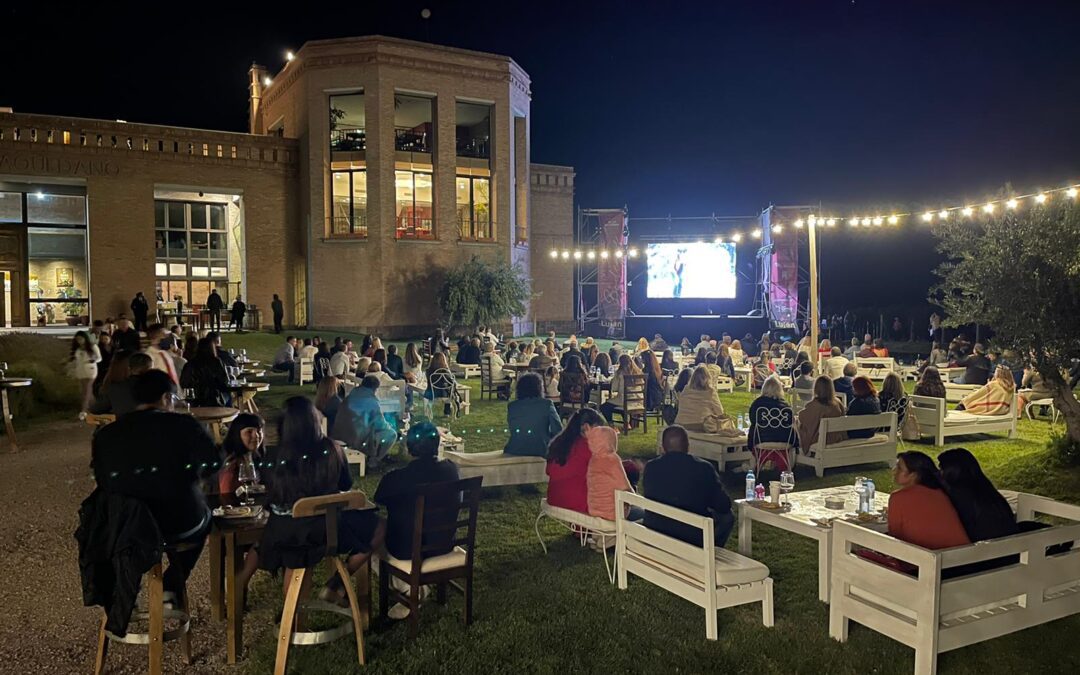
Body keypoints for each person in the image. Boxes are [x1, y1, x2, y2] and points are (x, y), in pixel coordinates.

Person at [91, 370, 219, 601]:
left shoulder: (106, 434)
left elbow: (102, 479)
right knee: (206, 521)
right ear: (166, 398)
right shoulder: (184, 424)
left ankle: (130, 587)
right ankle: (172, 582)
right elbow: (213, 465)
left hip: (125, 526)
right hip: (180, 523)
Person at [248, 397, 384, 606]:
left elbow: (269, 493)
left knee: (297, 558)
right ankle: (336, 584)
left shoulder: (275, 455)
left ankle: (292, 621)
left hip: (283, 533)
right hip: (327, 531)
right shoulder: (331, 449)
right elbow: (346, 483)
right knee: (379, 526)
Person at [373, 421, 459, 618]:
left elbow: (379, 499)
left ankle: (408, 589)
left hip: (408, 549)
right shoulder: (451, 470)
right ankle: (415, 587)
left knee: (370, 538)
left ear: (409, 449)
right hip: (444, 543)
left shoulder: (398, 478)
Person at [643, 425, 735, 547]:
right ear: (688, 446)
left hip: (657, 528)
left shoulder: (651, 467)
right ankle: (711, 551)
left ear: (663, 447)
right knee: (728, 517)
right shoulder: (703, 468)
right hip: (691, 536)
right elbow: (723, 505)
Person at [888, 451, 970, 550]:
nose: (894, 470)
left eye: (899, 468)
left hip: (935, 560)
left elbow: (894, 538)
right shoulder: (940, 492)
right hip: (964, 557)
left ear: (913, 475)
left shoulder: (898, 498)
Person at [937, 448, 1018, 542]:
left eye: (941, 469)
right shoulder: (985, 489)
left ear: (951, 472)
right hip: (1008, 547)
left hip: (984, 551)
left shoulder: (960, 496)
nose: (939, 474)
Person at [545, 408, 604, 514]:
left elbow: (549, 470)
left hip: (555, 498)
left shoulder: (560, 442)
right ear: (586, 427)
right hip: (578, 502)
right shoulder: (587, 446)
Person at [332, 375, 398, 469]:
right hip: (356, 438)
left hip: (340, 434)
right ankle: (374, 461)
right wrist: (390, 426)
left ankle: (376, 456)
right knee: (391, 434)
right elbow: (380, 424)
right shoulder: (371, 401)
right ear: (375, 388)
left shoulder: (351, 396)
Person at [586, 425, 638, 522]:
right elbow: (625, 487)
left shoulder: (593, 460)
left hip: (595, 511)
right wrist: (635, 497)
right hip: (613, 514)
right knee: (643, 513)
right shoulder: (612, 460)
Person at [504, 373, 563, 457]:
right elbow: (558, 430)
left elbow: (514, 428)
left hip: (515, 449)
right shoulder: (546, 404)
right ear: (539, 388)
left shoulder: (512, 406)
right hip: (541, 449)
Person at [218, 413, 265, 501]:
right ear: (237, 435)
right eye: (249, 431)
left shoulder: (255, 455)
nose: (256, 436)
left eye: (259, 431)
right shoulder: (231, 465)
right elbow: (227, 497)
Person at [90, 352, 153, 417]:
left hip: (125, 425)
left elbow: (96, 409)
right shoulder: (155, 387)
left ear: (129, 368)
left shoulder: (115, 388)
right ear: (150, 368)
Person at [747, 375, 797, 453]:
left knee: (753, 427)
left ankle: (757, 460)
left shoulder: (757, 404)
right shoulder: (785, 405)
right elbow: (791, 421)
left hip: (761, 438)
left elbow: (752, 419)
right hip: (783, 439)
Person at [673, 365, 730, 432]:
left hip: (681, 423)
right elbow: (720, 412)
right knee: (726, 422)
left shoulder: (686, 390)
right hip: (700, 425)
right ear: (708, 378)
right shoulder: (710, 392)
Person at [797, 376, 847, 451]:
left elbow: (802, 417)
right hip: (836, 438)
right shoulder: (837, 403)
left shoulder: (815, 405)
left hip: (821, 439)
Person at [179, 337, 231, 407]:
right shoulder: (216, 362)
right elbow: (224, 382)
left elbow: (184, 383)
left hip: (194, 402)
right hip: (214, 400)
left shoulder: (190, 364)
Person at [600, 354, 643, 423]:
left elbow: (614, 388)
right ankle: (627, 423)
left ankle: (612, 425)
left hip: (625, 401)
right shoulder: (638, 373)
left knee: (604, 407)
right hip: (638, 400)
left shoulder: (620, 373)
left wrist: (612, 380)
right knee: (618, 403)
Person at [70, 330, 102, 413]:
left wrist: (93, 360)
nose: (80, 341)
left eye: (81, 339)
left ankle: (84, 409)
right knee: (85, 389)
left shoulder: (92, 346)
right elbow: (75, 359)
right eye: (78, 339)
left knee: (87, 388)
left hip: (90, 369)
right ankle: (94, 407)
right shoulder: (77, 348)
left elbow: (99, 358)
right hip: (80, 369)